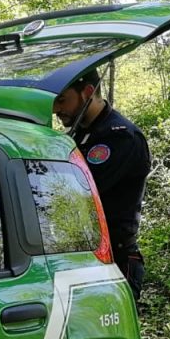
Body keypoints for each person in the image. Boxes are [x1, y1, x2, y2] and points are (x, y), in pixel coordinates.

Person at [52, 69, 150, 298]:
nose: (56, 109)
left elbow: (77, 193)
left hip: (114, 260)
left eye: (62, 100)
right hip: (82, 257)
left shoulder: (121, 137)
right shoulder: (79, 135)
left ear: (87, 92)